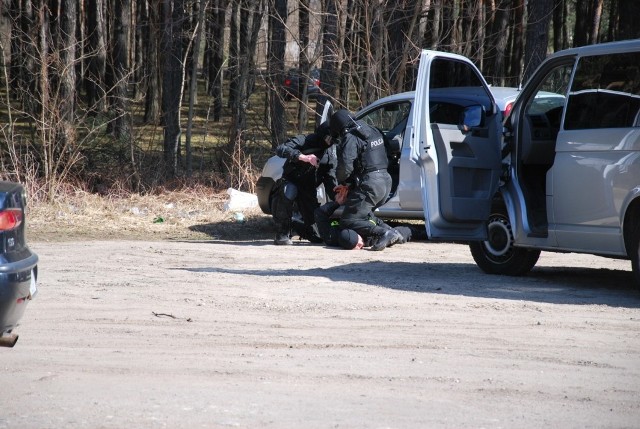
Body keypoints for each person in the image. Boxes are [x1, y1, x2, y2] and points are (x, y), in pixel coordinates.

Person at [330, 109, 403, 251]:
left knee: (349, 220)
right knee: (364, 214)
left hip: (370, 184)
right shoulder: (373, 130)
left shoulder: (351, 137)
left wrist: (343, 182)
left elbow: (345, 167)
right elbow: (388, 151)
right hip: (386, 181)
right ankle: (393, 233)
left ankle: (384, 233)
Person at [271, 122, 338, 245]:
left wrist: (337, 195)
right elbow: (280, 149)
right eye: (329, 139)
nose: (330, 142)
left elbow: (330, 177)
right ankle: (282, 232)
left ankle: (296, 226)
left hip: (309, 189)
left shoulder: (330, 152)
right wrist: (302, 157)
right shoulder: (305, 140)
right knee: (288, 191)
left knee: (317, 236)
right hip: (293, 181)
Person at [314, 200, 411, 250]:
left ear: (358, 232)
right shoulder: (371, 240)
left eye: (358, 242)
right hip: (376, 225)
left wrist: (337, 203)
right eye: (356, 246)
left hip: (353, 207)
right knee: (402, 234)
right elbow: (373, 219)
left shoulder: (331, 235)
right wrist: (391, 232)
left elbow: (319, 213)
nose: (361, 245)